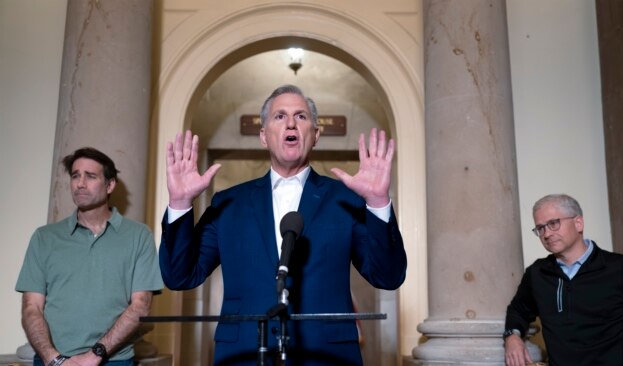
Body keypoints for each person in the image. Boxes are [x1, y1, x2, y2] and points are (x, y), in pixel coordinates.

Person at [159, 84, 407, 365]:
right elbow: (179, 276)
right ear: (263, 136)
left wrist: (377, 202)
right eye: (279, 116)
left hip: (326, 357)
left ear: (315, 135)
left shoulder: (345, 200)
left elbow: (389, 276)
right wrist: (179, 204)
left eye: (301, 116)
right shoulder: (228, 203)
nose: (291, 122)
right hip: (244, 355)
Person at [16, 147, 164, 366]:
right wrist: (53, 359)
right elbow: (31, 307)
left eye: (90, 176)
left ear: (110, 184)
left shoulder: (138, 236)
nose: (80, 183)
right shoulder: (44, 238)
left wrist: (94, 355)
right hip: (52, 361)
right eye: (75, 176)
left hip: (113, 360)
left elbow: (140, 305)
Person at [504, 194, 623, 366]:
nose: (547, 233)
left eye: (553, 223)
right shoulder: (537, 274)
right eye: (540, 228)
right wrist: (512, 337)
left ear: (578, 223)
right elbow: (518, 310)